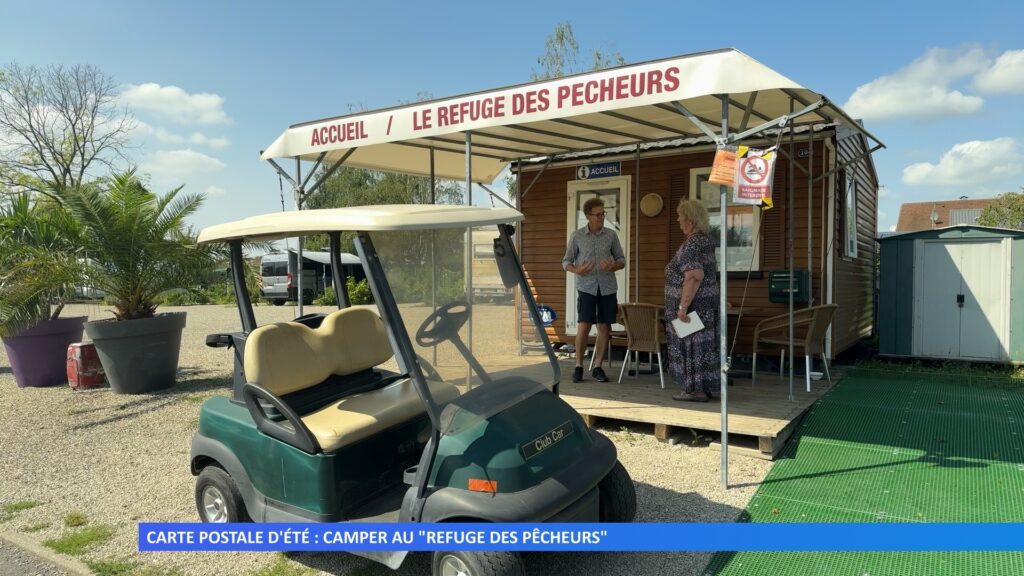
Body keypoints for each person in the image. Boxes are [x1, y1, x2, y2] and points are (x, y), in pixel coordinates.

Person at [562, 198, 625, 383]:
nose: (602, 217)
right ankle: (579, 366)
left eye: (603, 213)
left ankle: (597, 367)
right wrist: (576, 270)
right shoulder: (577, 236)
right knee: (584, 325)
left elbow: (621, 259)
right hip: (586, 287)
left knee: (604, 326)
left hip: (607, 287)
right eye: (598, 214)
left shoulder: (611, 236)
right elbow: (565, 261)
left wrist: (614, 265)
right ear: (588, 216)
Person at [665, 199, 720, 402]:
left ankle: (694, 390)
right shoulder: (705, 240)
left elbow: (694, 275)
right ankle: (702, 388)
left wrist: (682, 307)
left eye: (680, 216)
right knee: (702, 347)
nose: (678, 219)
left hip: (693, 308)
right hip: (705, 305)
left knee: (691, 346)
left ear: (689, 218)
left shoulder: (693, 242)